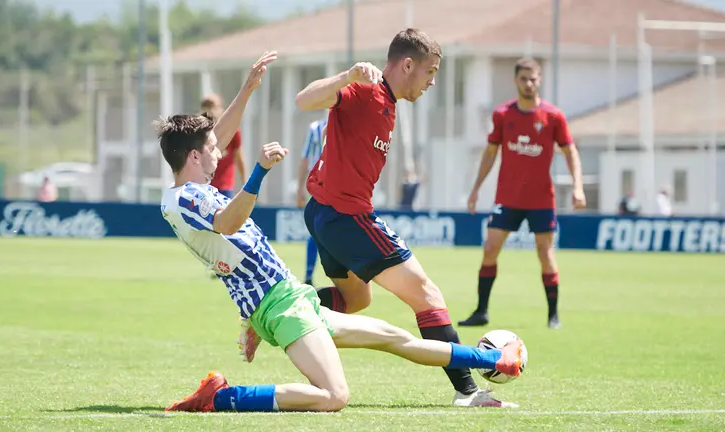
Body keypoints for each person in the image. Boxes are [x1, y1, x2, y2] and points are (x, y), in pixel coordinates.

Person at [156, 63, 524, 414]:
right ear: (193, 155)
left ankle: (491, 359)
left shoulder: (188, 185)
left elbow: (216, 138)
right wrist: (259, 173)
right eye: (211, 149)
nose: (219, 151)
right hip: (278, 306)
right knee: (334, 396)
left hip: (292, 297)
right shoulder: (188, 197)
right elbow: (227, 223)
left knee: (396, 338)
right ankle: (223, 398)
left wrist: (247, 90)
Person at [294, 28, 511, 408]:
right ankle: (468, 391)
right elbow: (303, 100)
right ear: (407, 64)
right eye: (430, 72)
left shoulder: (389, 101)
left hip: (325, 214)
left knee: (355, 299)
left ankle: (279, 310)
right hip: (347, 216)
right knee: (427, 295)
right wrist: (347, 76)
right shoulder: (366, 89)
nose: (432, 81)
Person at [459, 58, 586, 330]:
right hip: (507, 198)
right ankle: (481, 311)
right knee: (490, 248)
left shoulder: (553, 116)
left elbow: (570, 151)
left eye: (533, 79)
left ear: (539, 80)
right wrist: (476, 189)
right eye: (524, 79)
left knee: (545, 253)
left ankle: (553, 316)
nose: (529, 84)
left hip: (541, 199)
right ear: (516, 81)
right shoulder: (503, 115)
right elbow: (491, 152)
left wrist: (578, 186)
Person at [296, 118, 327, 286]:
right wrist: (300, 188)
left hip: (339, 187)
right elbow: (305, 159)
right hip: (318, 185)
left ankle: (344, 279)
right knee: (315, 231)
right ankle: (308, 276)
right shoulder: (315, 127)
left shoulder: (349, 121)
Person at [201, 93, 246, 199]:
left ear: (221, 109)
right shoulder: (199, 133)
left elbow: (239, 158)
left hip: (224, 187)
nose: (210, 110)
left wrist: (245, 183)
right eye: (206, 105)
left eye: (213, 106)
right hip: (204, 186)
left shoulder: (232, 132)